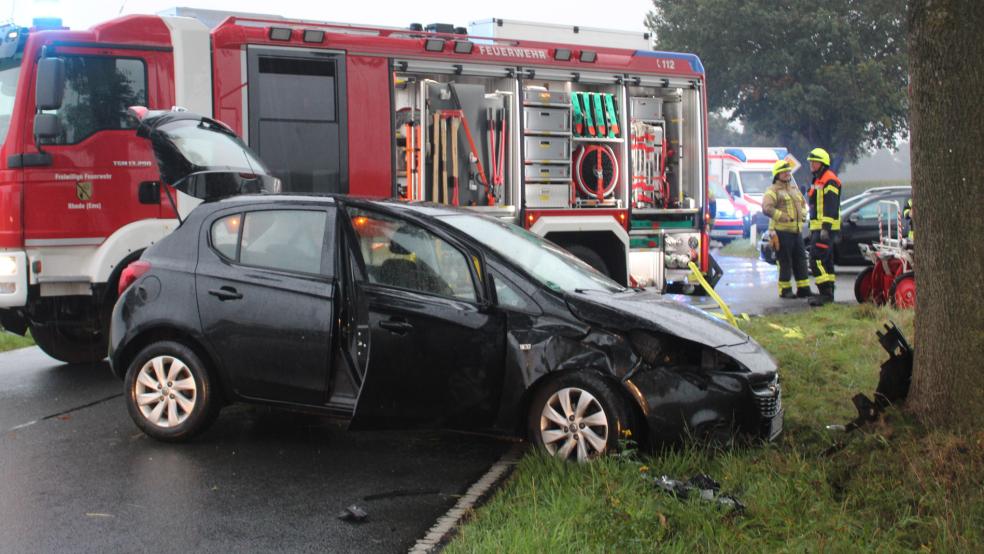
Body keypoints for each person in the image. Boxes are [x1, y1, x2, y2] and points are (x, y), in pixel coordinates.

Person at [762, 160, 811, 298]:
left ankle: (803, 288)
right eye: (784, 172)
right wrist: (782, 216)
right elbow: (767, 208)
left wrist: (803, 214)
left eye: (788, 171)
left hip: (796, 232)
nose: (787, 174)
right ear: (777, 174)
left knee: (801, 260)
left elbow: (802, 204)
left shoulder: (793, 189)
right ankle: (785, 290)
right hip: (782, 232)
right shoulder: (772, 190)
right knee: (785, 262)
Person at [805, 148, 841, 306]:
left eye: (814, 161)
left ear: (823, 163)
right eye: (811, 161)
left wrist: (825, 227)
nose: (811, 164)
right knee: (826, 261)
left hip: (824, 229)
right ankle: (829, 292)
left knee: (816, 260)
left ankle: (825, 293)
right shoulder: (817, 179)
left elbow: (831, 206)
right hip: (818, 228)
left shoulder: (829, 180)